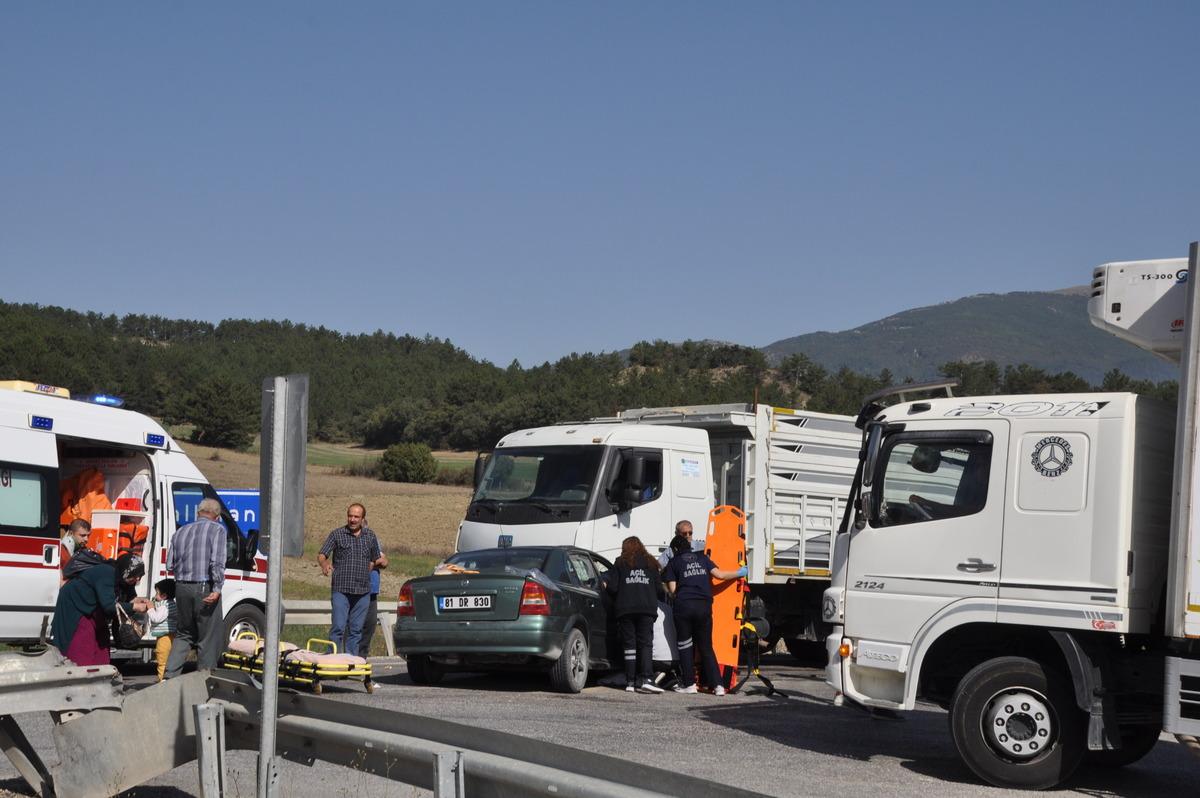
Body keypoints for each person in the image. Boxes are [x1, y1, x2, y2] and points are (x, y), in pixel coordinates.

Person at [662, 532, 747, 695]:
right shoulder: (703, 559)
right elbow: (720, 575)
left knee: (685, 646)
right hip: (704, 606)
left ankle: (689, 685)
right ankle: (718, 686)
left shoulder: (674, 563)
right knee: (706, 646)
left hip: (684, 607)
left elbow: (673, 590)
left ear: (674, 549)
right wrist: (739, 572)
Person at [164, 497, 227, 678]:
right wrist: (217, 588)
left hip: (181, 587)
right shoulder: (217, 530)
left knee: (184, 634)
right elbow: (217, 562)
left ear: (198, 512)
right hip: (204, 586)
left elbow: (170, 564)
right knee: (208, 638)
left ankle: (169, 676)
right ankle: (204, 680)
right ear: (216, 516)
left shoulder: (181, 531)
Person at [51, 553, 150, 666]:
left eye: (140, 575)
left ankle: (100, 679)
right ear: (127, 570)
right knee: (82, 651)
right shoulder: (106, 573)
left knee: (101, 653)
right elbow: (109, 606)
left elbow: (130, 599)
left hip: (95, 613)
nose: (137, 579)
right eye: (135, 574)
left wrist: (143, 602)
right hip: (77, 609)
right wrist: (136, 607)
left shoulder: (126, 579)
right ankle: (81, 680)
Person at [318, 503, 387, 657]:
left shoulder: (370, 536)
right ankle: (332, 660)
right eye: (350, 516)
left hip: (362, 591)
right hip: (341, 589)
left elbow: (377, 558)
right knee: (338, 627)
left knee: (356, 630)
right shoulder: (337, 534)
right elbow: (322, 554)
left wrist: (380, 563)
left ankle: (350, 662)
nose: (353, 519)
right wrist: (324, 563)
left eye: (356, 517)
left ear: (363, 519)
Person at [605, 536, 664, 695]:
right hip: (646, 609)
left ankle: (630, 682)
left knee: (629, 645)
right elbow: (659, 590)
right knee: (645, 644)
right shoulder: (651, 563)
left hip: (625, 609)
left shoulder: (620, 562)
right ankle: (647, 680)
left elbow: (613, 588)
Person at [147, 578, 178, 682]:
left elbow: (156, 618)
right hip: (170, 636)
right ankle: (167, 679)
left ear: (164, 596)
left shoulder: (165, 605)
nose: (155, 596)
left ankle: (162, 680)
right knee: (168, 659)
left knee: (162, 660)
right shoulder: (171, 603)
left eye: (157, 593)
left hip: (164, 637)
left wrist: (150, 608)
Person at [60, 518, 91, 583]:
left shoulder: (84, 551)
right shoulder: (61, 551)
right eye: (83, 535)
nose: (86, 539)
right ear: (71, 533)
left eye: (88, 536)